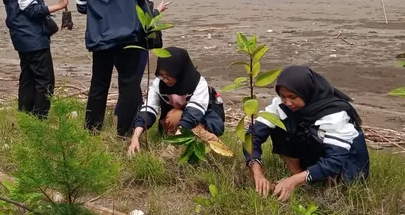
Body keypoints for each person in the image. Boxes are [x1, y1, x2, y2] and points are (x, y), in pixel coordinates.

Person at [244, 66, 369, 202]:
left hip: (346, 165)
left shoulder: (334, 114)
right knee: (279, 126)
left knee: (345, 187)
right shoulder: (281, 105)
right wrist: (257, 171)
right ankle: (299, 175)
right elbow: (253, 136)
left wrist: (293, 181)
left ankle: (309, 180)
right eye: (283, 96)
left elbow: (335, 160)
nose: (288, 102)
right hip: (314, 151)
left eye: (293, 97)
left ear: (306, 92)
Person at [74, 0, 147, 136]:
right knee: (129, 85)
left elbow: (81, 7)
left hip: (100, 37)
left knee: (99, 84)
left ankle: (92, 129)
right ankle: (124, 132)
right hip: (129, 35)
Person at [0, 0, 68, 118]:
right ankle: (39, 119)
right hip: (33, 38)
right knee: (45, 80)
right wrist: (58, 6)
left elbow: (19, 4)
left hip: (20, 37)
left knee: (28, 77)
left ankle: (26, 115)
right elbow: (32, 11)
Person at [128, 47, 225, 155]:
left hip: (200, 119)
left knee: (181, 120)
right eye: (162, 76)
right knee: (174, 117)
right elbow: (149, 109)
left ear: (179, 72)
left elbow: (194, 114)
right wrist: (135, 136)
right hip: (174, 119)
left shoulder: (199, 83)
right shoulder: (158, 84)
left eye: (169, 76)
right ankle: (192, 140)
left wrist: (175, 143)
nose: (165, 80)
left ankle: (207, 141)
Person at [114, 0, 170, 119]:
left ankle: (122, 112)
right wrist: (156, 9)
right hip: (136, 36)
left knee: (125, 78)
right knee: (133, 80)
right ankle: (131, 120)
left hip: (116, 35)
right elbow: (142, 14)